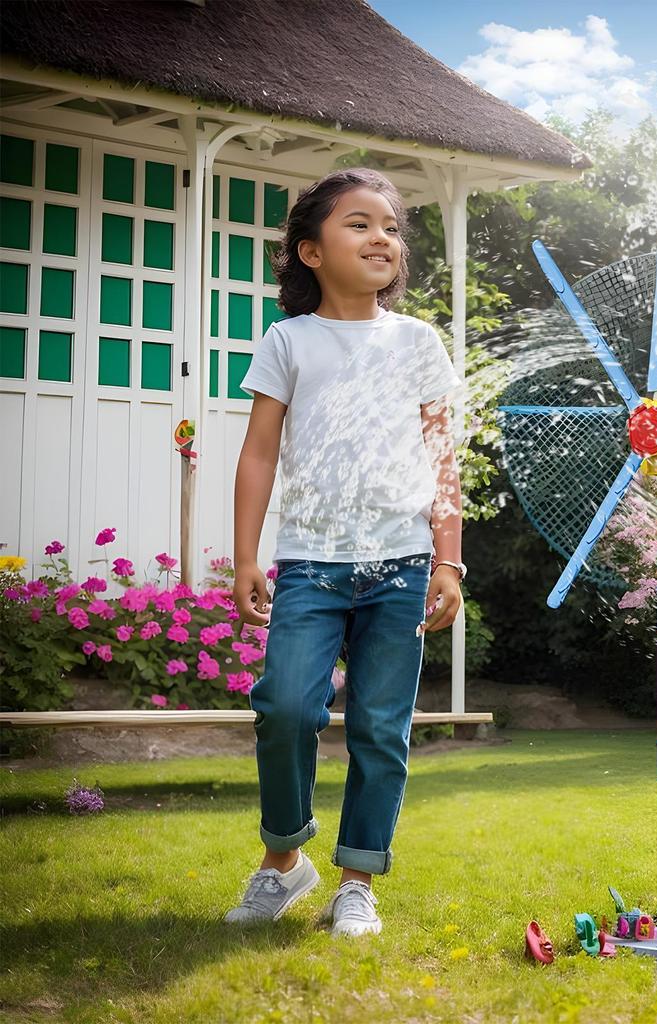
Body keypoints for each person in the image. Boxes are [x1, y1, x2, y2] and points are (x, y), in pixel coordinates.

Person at [224, 168, 466, 937]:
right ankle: (284, 859)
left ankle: (357, 880)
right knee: (287, 707)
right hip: (309, 567)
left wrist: (448, 561)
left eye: (391, 227)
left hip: (400, 567)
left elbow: (442, 461)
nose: (382, 238)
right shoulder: (288, 340)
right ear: (311, 250)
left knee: (380, 730)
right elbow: (258, 454)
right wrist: (244, 557)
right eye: (360, 224)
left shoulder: (419, 342)